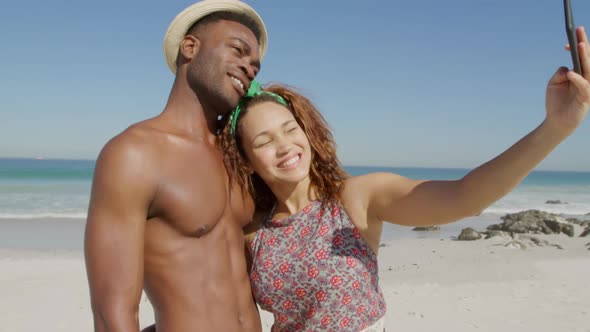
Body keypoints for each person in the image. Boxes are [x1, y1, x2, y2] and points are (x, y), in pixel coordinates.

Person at [218, 27, 590, 331]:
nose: (284, 146)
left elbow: (465, 198)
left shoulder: (356, 198)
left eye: (289, 129)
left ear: (305, 131)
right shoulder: (255, 232)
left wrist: (554, 129)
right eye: (264, 141)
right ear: (247, 162)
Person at [84, 1, 268, 331]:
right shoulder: (135, 153)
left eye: (255, 65)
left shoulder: (239, 158)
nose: (250, 69)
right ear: (190, 47)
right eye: (238, 51)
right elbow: (112, 312)